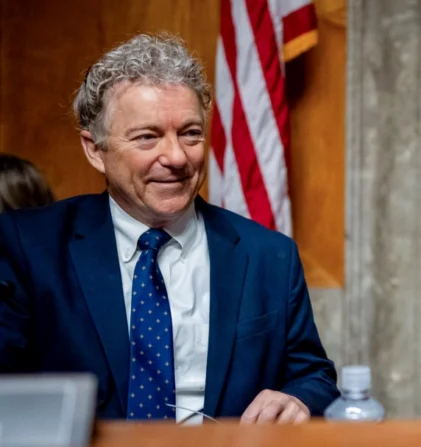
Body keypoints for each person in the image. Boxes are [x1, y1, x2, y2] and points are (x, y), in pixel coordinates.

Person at [0, 34, 339, 424]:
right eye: (148, 137)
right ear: (95, 149)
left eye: (191, 133)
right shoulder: (28, 247)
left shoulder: (269, 255)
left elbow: (314, 376)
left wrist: (296, 399)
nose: (176, 157)